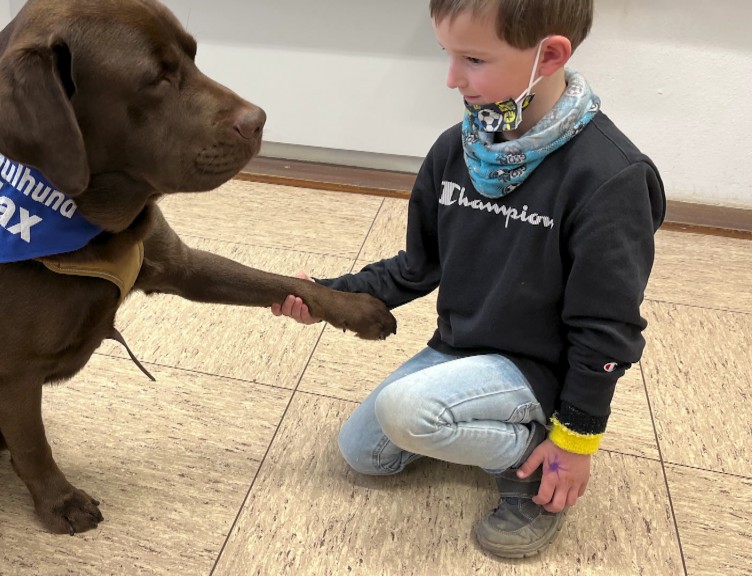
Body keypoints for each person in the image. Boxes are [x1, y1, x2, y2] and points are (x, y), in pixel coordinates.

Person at [270, 0, 665, 558]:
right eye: (448, 55)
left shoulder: (611, 178)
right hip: (461, 348)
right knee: (364, 452)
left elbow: (609, 328)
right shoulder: (456, 150)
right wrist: (328, 297)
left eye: (473, 59)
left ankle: (530, 459)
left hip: (539, 370)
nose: (452, 78)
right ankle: (481, 419)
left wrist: (575, 439)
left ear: (548, 55)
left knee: (407, 412)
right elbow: (416, 267)